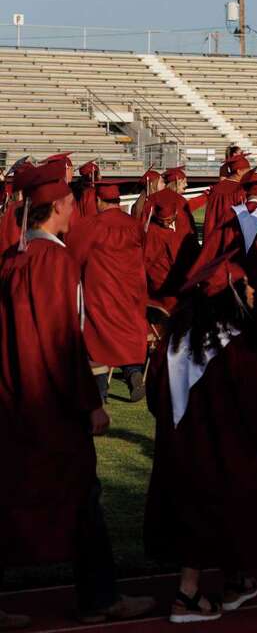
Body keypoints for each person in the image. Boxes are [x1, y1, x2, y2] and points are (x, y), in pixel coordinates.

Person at [0, 162, 154, 624]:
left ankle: (97, 596)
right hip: (51, 403)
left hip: (14, 395)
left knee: (13, 497)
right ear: (57, 207)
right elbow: (61, 338)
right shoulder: (54, 261)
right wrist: (90, 402)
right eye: (70, 202)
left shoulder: (14, 259)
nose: (75, 209)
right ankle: (100, 598)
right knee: (84, 496)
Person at [144, 256, 257, 623]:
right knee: (223, 507)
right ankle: (187, 595)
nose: (252, 291)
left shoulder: (176, 340)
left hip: (182, 447)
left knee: (201, 509)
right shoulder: (238, 345)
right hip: (225, 449)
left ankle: (235, 580)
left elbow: (156, 398)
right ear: (231, 296)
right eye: (246, 286)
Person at [67, 180, 149, 403]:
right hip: (131, 291)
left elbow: (75, 255)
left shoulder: (91, 225)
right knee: (129, 334)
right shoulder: (134, 225)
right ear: (118, 200)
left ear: (98, 200)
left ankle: (100, 391)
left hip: (101, 290)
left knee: (97, 339)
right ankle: (133, 373)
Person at [144, 189, 201, 316]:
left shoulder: (184, 221)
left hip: (184, 277)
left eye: (169, 220)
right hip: (163, 283)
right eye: (161, 220)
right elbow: (146, 261)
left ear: (176, 213)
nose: (165, 223)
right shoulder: (153, 233)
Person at [203, 153, 250, 243]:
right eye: (247, 171)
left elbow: (210, 218)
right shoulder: (239, 190)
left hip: (214, 236)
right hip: (231, 237)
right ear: (239, 171)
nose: (250, 175)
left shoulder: (215, 189)